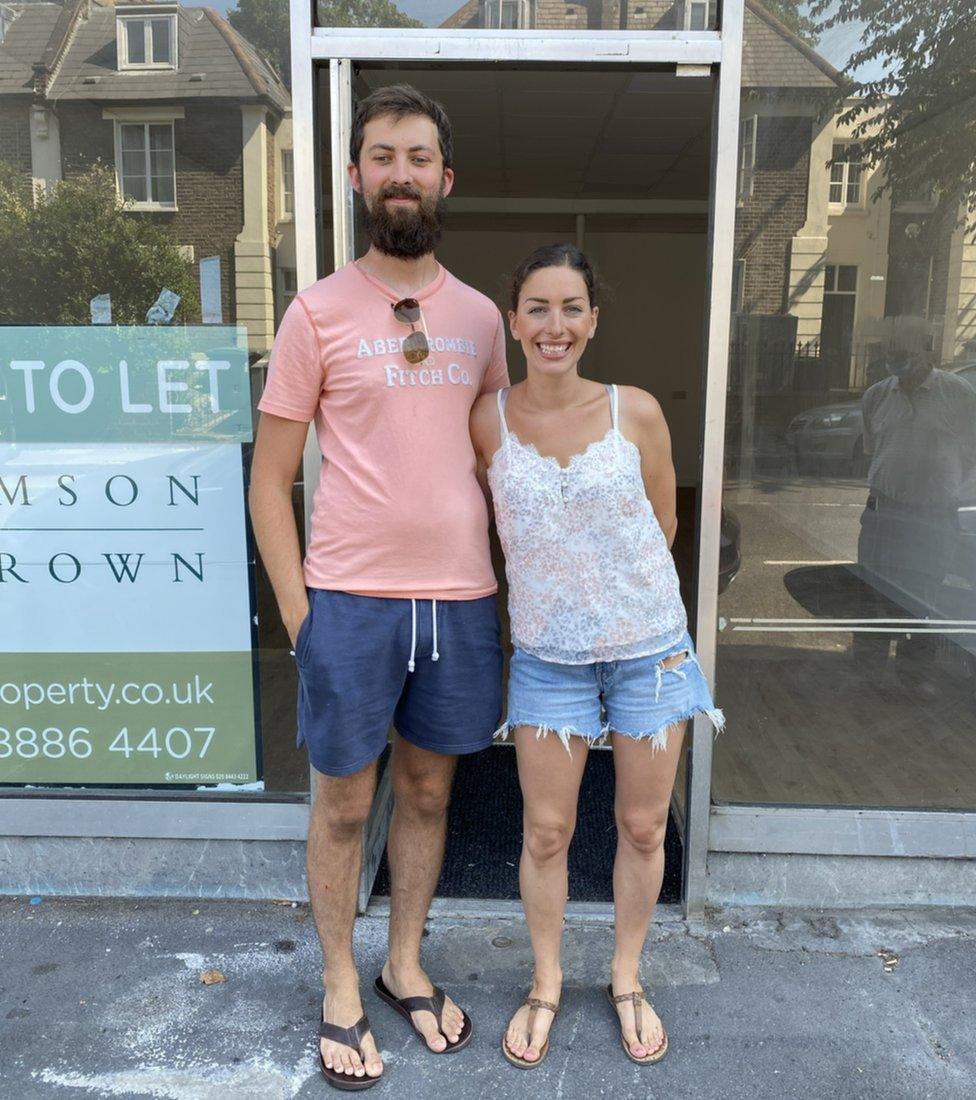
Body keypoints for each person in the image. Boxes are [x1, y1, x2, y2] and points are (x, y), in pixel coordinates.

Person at [249, 84, 508, 1090]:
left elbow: (500, 469)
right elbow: (270, 480)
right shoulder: (314, 311)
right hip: (347, 603)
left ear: (446, 178)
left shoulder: (484, 320)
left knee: (431, 788)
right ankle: (336, 982)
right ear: (355, 176)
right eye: (381, 155)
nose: (400, 173)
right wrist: (302, 615)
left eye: (418, 156)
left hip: (459, 601)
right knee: (345, 806)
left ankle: (401, 960)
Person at [469, 244, 723, 1069]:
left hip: (650, 652)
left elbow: (664, 525)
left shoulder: (635, 411)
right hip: (547, 657)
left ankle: (624, 976)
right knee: (546, 832)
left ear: (593, 320)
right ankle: (546, 981)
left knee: (644, 825)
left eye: (570, 307)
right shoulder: (488, 420)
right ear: (513, 321)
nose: (554, 325)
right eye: (537, 308)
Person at [855, 316, 976, 687]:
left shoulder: (957, 394)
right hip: (883, 512)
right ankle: (866, 677)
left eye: (904, 351)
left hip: (932, 516)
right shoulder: (876, 395)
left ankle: (914, 683)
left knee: (923, 598)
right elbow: (875, 450)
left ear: (927, 351)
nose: (896, 358)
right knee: (871, 595)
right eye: (891, 351)